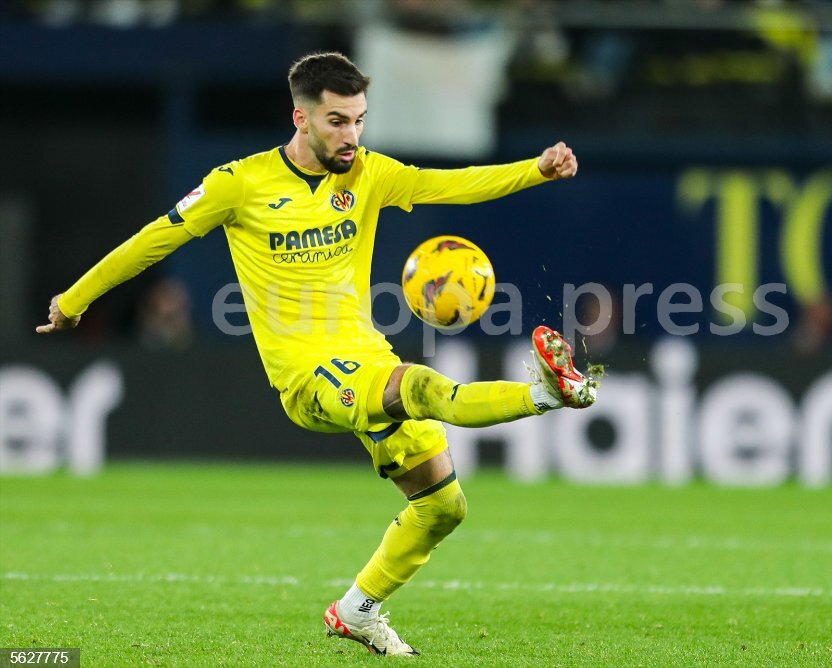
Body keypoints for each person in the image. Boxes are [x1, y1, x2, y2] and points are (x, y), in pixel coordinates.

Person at [36, 51, 597, 657]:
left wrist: (536, 170)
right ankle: (545, 392)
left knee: (442, 506)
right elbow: (154, 238)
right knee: (422, 388)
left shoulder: (369, 175)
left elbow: (451, 186)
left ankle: (358, 610)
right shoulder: (238, 184)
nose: (351, 135)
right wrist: (74, 299)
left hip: (365, 355)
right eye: (336, 121)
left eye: (358, 120)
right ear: (300, 117)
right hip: (308, 378)